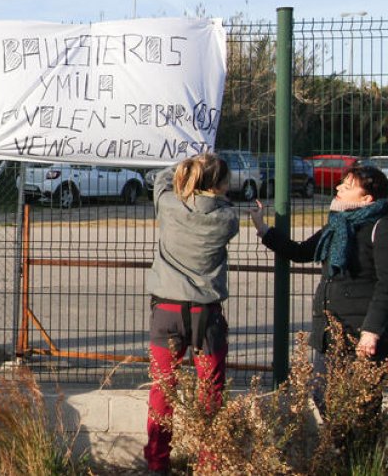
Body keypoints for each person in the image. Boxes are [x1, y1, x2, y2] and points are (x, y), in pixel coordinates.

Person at [249, 165, 388, 387]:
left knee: (359, 405)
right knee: (322, 396)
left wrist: (371, 331)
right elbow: (300, 252)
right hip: (329, 332)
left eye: (348, 186)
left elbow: (385, 285)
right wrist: (263, 228)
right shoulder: (337, 225)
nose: (338, 187)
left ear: (367, 198)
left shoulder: (380, 227)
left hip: (360, 334)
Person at [144, 153, 240, 474]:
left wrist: (183, 163)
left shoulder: (169, 206)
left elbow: (160, 181)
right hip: (207, 315)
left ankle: (157, 462)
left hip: (166, 312)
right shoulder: (228, 218)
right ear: (220, 184)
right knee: (210, 390)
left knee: (163, 389)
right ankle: (208, 462)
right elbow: (216, 201)